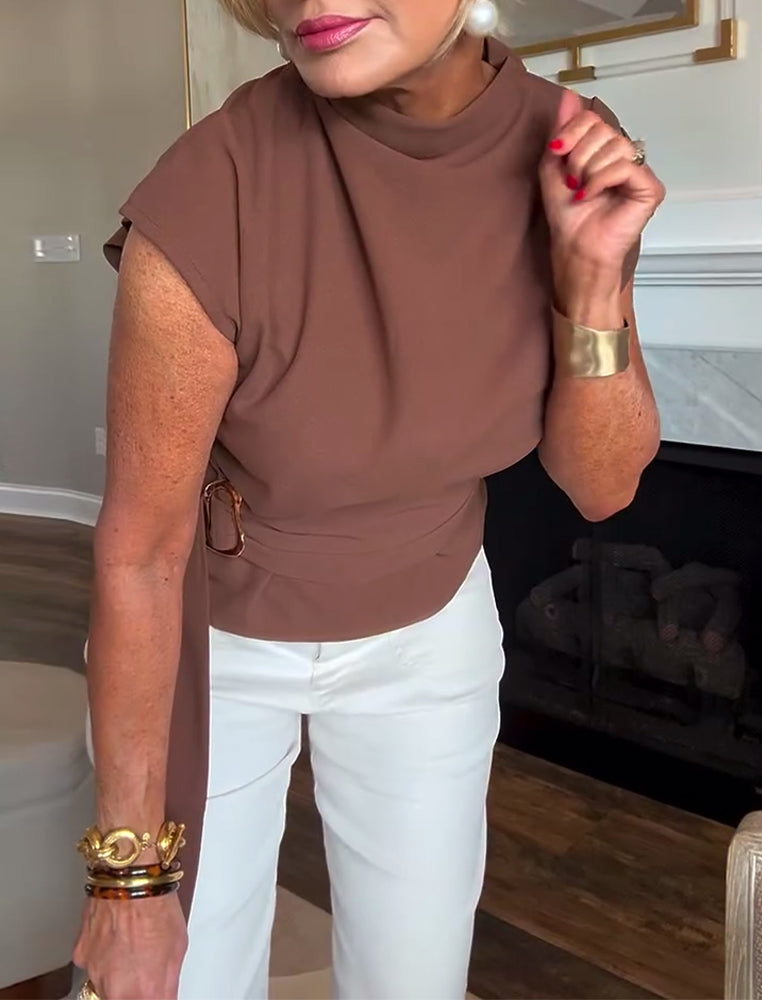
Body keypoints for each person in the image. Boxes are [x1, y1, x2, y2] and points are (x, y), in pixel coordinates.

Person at [73, 1, 663, 998]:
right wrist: (125, 884)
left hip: (431, 626)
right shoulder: (214, 186)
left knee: (414, 979)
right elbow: (140, 552)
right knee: (176, 976)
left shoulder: (570, 150)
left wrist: (591, 284)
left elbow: (602, 485)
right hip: (215, 642)